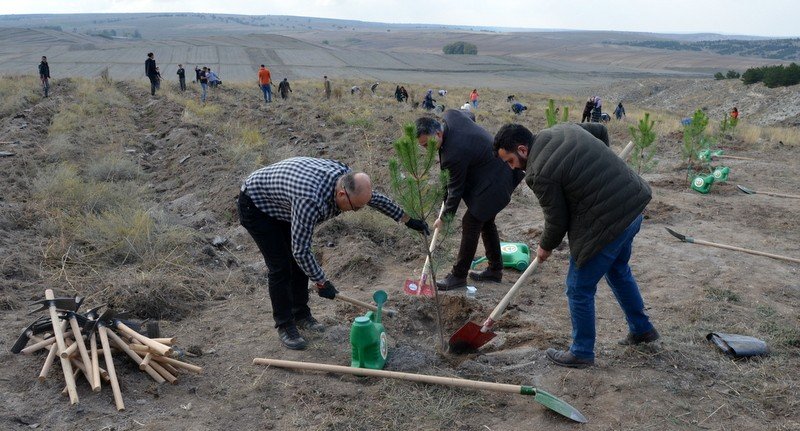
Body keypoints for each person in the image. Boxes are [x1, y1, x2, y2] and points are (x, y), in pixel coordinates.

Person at [493, 122, 659, 368]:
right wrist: (598, 172)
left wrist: (545, 246)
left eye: (510, 161)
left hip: (608, 221)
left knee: (578, 287)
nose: (512, 167)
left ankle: (581, 351)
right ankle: (642, 329)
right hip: (633, 202)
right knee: (617, 270)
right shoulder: (561, 129)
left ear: (522, 150)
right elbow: (600, 131)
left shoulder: (539, 173)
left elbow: (557, 220)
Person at [238, 157, 429, 350]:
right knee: (281, 267)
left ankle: (301, 315)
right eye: (356, 207)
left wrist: (407, 220)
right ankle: (285, 325)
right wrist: (322, 282)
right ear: (341, 194)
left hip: (283, 205)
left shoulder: (346, 179)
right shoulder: (310, 200)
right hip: (257, 206)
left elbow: (374, 199)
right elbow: (301, 251)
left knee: (298, 265)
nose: (357, 211)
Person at [415, 111, 525, 290]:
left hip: (495, 183)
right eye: (422, 146)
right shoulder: (452, 116)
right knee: (486, 222)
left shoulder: (454, 154)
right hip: (496, 171)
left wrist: (444, 217)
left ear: (438, 133)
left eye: (427, 144)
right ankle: (495, 270)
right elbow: (470, 114)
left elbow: (455, 190)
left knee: (471, 222)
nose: (426, 149)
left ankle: (458, 276)